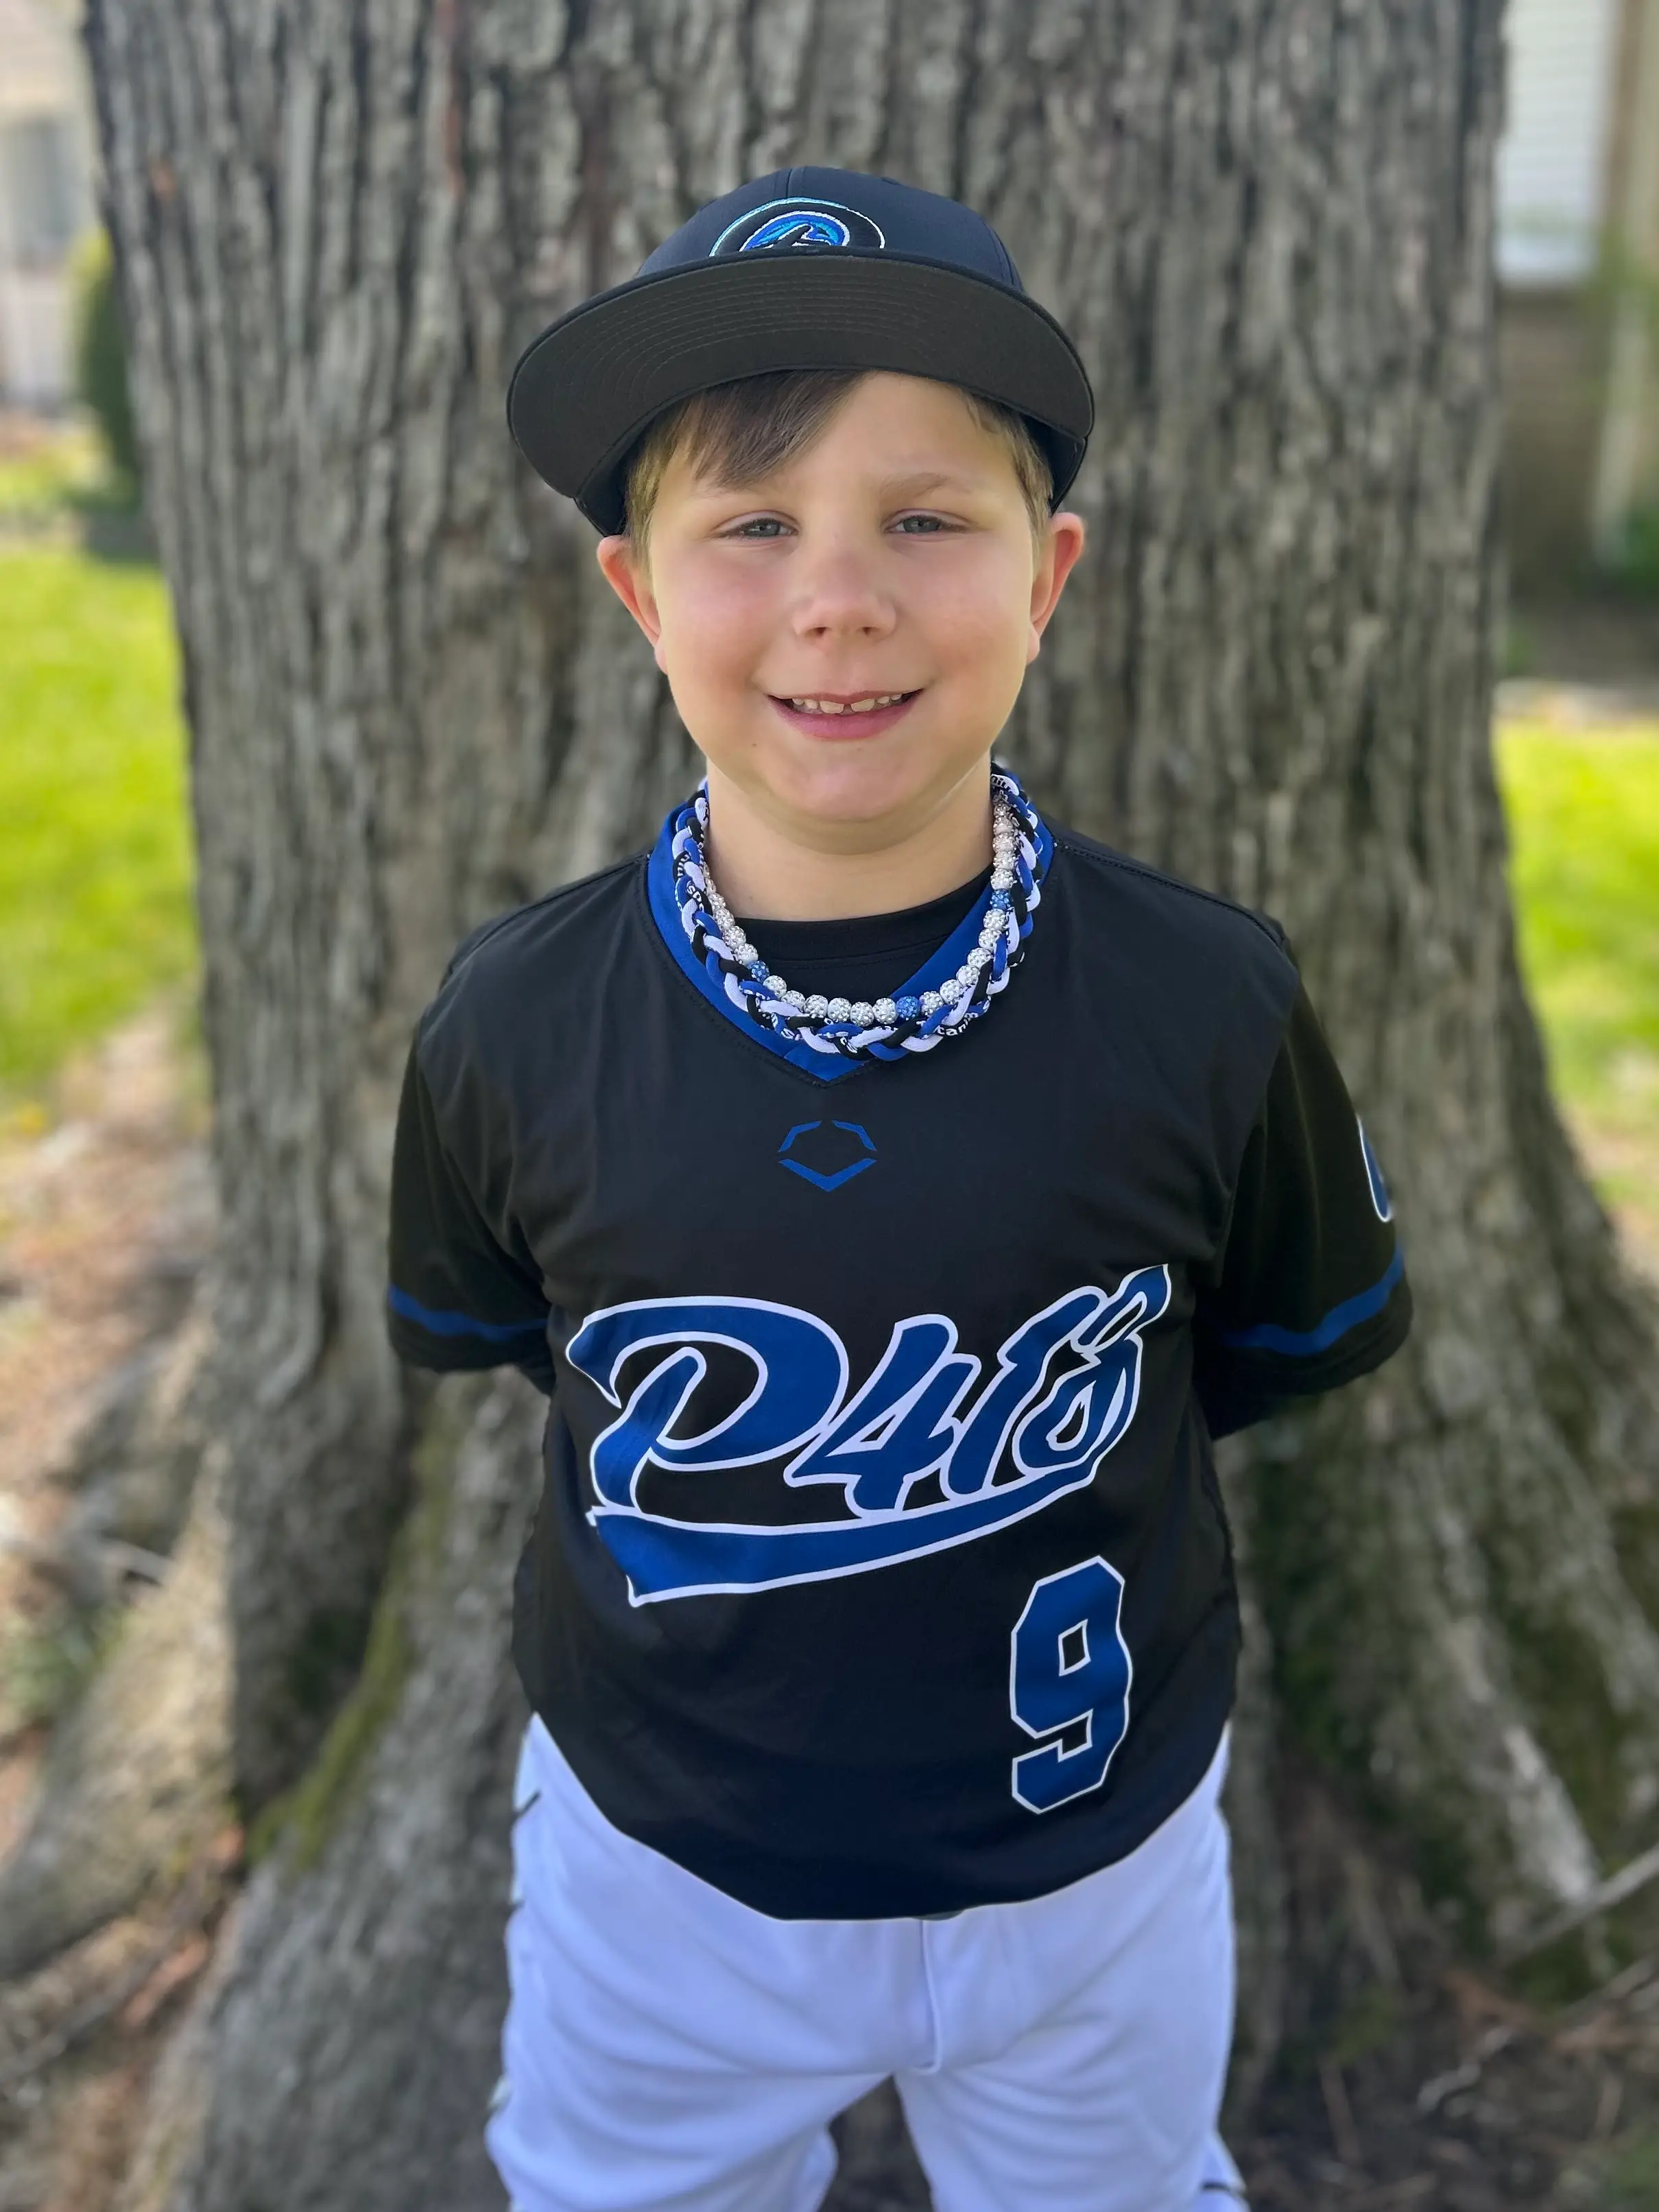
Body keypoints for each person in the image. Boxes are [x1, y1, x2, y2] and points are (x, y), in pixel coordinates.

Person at [385, 166, 1411, 2212]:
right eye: (751, 526)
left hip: (1100, 1864)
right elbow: (515, 1344)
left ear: (1049, 574)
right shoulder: (516, 1021)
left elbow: (1254, 1354)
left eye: (926, 520)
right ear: (638, 595)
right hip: (665, 1869)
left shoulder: (1208, 999)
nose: (839, 598)